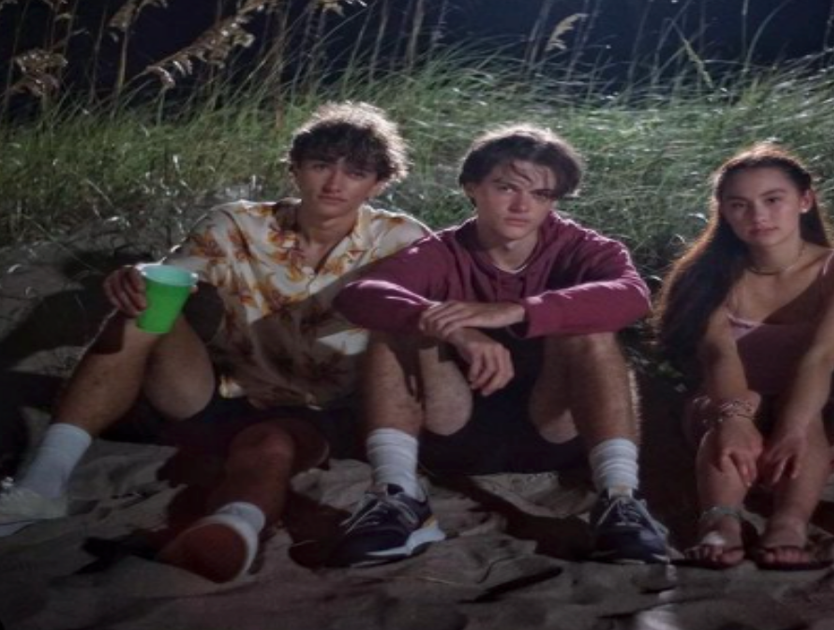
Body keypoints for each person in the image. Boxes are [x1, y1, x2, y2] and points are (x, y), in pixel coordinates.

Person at [0, 102, 430, 582]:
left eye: (355, 172)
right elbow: (173, 277)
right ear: (294, 168)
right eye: (320, 165)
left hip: (327, 409)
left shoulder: (400, 238)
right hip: (219, 394)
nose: (334, 183)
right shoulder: (238, 223)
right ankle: (43, 484)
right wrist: (138, 275)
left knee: (269, 445)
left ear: (378, 183)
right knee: (148, 303)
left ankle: (234, 527)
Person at [328, 124, 670, 566]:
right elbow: (360, 295)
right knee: (398, 326)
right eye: (506, 187)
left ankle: (620, 498)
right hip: (455, 428)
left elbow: (632, 295)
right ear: (472, 187)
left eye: (541, 194)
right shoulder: (444, 251)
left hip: (553, 428)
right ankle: (397, 495)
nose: (522, 206)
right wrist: (451, 327)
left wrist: (517, 311)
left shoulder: (581, 247)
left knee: (592, 329)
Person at [653, 144, 834, 570]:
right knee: (746, 402)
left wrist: (793, 426)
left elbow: (821, 356)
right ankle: (721, 522)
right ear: (723, 212)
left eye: (773, 200)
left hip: (817, 412)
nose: (758, 215)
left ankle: (789, 523)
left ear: (804, 201)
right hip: (723, 406)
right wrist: (734, 418)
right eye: (740, 205)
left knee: (802, 410)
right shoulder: (709, 273)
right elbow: (718, 354)